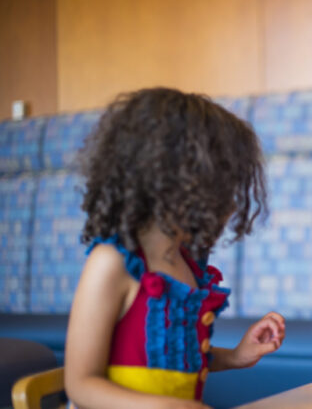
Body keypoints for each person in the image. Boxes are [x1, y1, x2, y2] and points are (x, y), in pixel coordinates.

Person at [64, 88, 285, 408]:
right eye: (222, 183)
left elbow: (176, 358)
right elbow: (81, 384)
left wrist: (236, 356)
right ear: (173, 181)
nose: (232, 201)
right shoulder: (111, 263)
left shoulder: (186, 265)